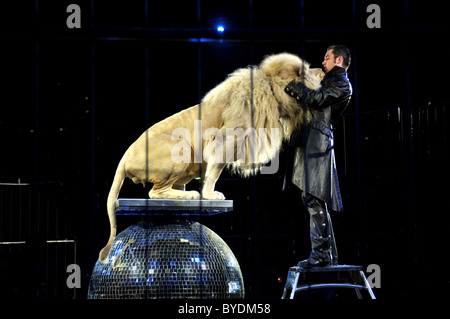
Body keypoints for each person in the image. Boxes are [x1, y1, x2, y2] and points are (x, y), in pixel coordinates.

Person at [284, 45, 352, 267]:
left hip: (318, 145)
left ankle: (322, 255)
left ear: (339, 60)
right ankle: (327, 254)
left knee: (314, 199)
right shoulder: (329, 80)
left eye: (327, 57)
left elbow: (316, 100)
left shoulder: (341, 83)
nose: (324, 61)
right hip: (311, 142)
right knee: (312, 199)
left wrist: (293, 85)